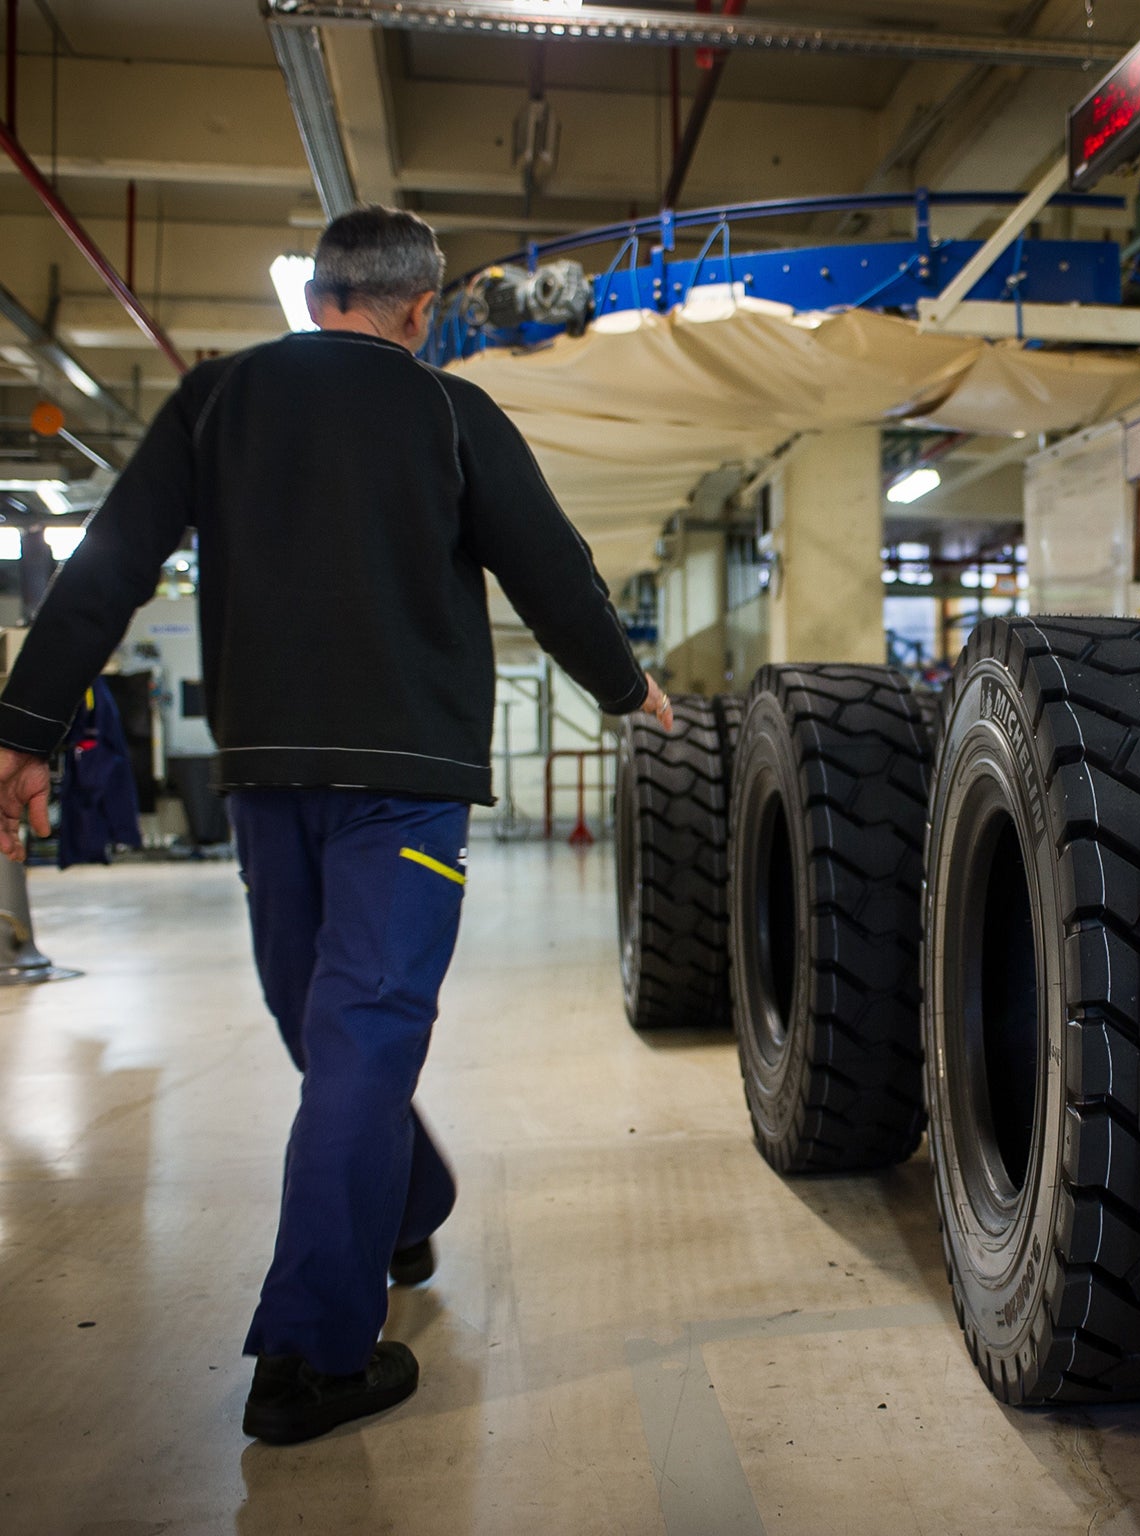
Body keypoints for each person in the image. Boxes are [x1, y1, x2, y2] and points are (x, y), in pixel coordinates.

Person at [0, 206, 672, 1445]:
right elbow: (549, 567)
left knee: (333, 1019)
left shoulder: (216, 399)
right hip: (395, 774)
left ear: (317, 295)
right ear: (421, 311)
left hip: (275, 771)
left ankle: (313, 1342)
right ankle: (397, 1201)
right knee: (340, 1021)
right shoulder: (447, 410)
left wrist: (25, 726)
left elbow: (111, 560)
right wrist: (629, 689)